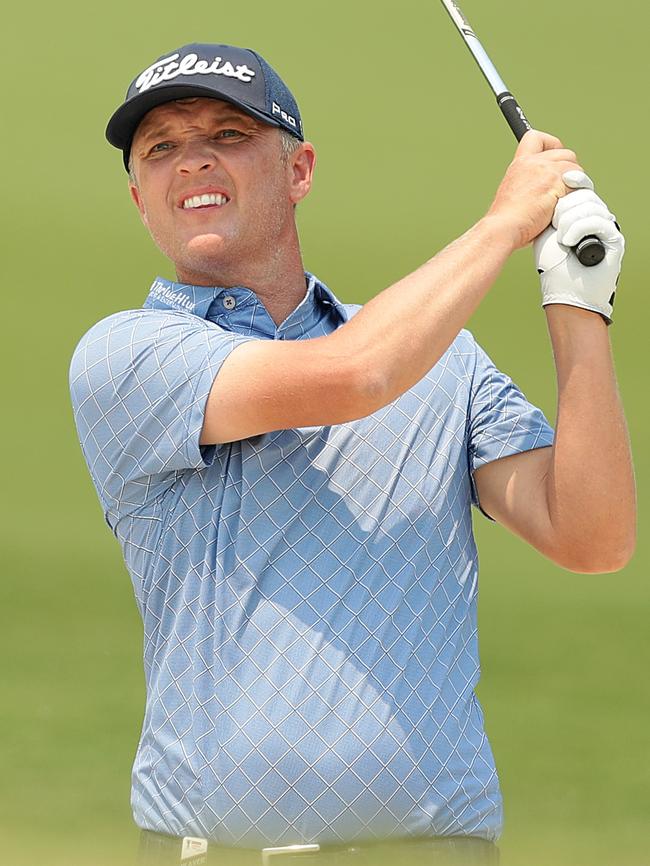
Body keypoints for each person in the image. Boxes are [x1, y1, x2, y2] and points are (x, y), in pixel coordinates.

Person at [69, 43, 636, 866]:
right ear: (139, 198)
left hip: (433, 850)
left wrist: (577, 299)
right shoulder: (124, 357)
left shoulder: (444, 359)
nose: (192, 157)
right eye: (160, 147)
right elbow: (352, 375)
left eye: (228, 133)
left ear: (299, 169)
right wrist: (502, 226)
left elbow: (592, 537)